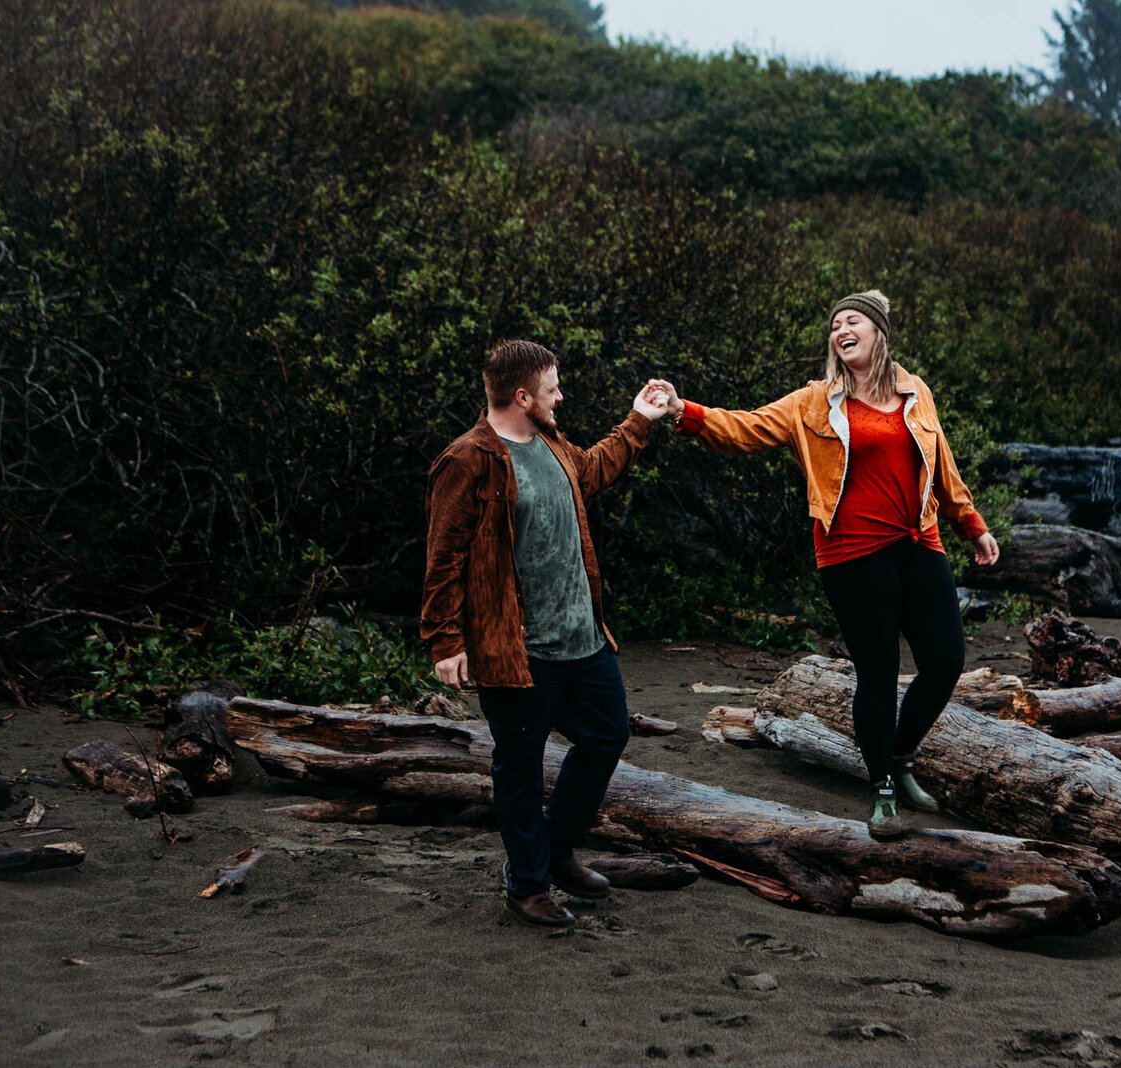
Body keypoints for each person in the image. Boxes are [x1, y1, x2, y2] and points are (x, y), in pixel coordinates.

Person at [650, 290, 999, 839]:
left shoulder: (915, 391)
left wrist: (972, 525)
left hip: (919, 541)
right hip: (853, 552)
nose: (841, 330)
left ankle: (901, 755)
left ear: (878, 332)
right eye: (835, 325)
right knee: (878, 673)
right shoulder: (812, 402)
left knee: (946, 661)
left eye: (852, 320)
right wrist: (682, 412)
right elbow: (744, 428)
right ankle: (882, 784)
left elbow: (943, 465)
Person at [421, 338, 673, 927]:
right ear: (522, 394)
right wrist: (446, 641)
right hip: (518, 651)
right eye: (553, 388)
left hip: (583, 641)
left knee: (607, 737)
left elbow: (595, 470)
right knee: (520, 764)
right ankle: (528, 882)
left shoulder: (553, 444)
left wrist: (640, 419)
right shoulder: (467, 460)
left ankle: (556, 850)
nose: (561, 396)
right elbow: (443, 558)